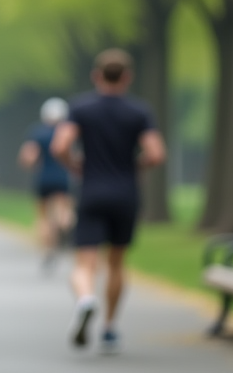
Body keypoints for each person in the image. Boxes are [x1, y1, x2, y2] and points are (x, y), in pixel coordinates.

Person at [51, 49, 165, 354]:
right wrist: (136, 166)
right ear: (128, 77)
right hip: (126, 193)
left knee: (84, 263)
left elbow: (60, 144)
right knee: (116, 263)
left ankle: (86, 299)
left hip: (92, 191)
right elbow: (155, 153)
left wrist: (74, 163)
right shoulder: (139, 112)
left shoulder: (81, 108)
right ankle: (110, 328)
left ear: (96, 76)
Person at [18, 97, 74, 271]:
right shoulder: (68, 131)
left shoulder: (37, 132)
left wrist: (29, 164)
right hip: (63, 177)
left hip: (43, 178)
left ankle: (47, 250)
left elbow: (28, 157)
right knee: (63, 209)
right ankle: (66, 227)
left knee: (43, 217)